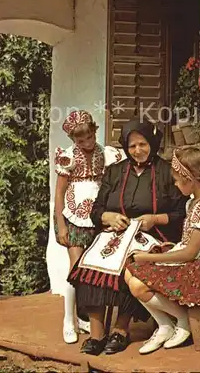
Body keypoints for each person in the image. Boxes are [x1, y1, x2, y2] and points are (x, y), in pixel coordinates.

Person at [68, 118, 188, 355]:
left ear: (152, 143)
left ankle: (121, 329)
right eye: (132, 146)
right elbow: (96, 211)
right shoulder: (114, 172)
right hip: (114, 233)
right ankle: (96, 334)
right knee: (90, 267)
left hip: (151, 235)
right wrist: (107, 217)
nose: (138, 150)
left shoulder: (165, 172)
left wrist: (155, 219)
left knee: (130, 266)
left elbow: (180, 212)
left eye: (142, 144)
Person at [125, 147, 200, 354]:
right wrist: (159, 254)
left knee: (138, 284)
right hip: (195, 259)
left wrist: (148, 256)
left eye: (177, 179)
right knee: (129, 271)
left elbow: (190, 253)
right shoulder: (192, 203)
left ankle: (181, 320)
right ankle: (165, 325)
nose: (175, 184)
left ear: (189, 179)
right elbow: (187, 244)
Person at [54, 110, 124, 344]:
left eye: (89, 137)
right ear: (73, 140)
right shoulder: (68, 157)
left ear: (95, 131)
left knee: (95, 269)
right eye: (80, 140)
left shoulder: (105, 154)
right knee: (76, 270)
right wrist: (61, 225)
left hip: (98, 214)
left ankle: (88, 318)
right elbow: (59, 194)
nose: (86, 143)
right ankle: (68, 320)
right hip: (74, 216)